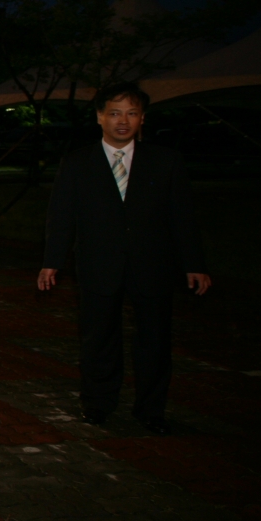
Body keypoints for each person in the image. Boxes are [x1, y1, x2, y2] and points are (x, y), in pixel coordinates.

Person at [39, 83, 210, 436]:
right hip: (98, 264)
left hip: (153, 265)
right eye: (115, 113)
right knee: (99, 337)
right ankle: (98, 403)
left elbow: (183, 217)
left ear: (142, 119)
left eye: (131, 113)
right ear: (100, 117)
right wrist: (52, 261)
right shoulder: (77, 163)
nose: (123, 121)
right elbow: (62, 216)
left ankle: (151, 409)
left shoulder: (165, 161)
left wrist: (194, 263)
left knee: (155, 340)